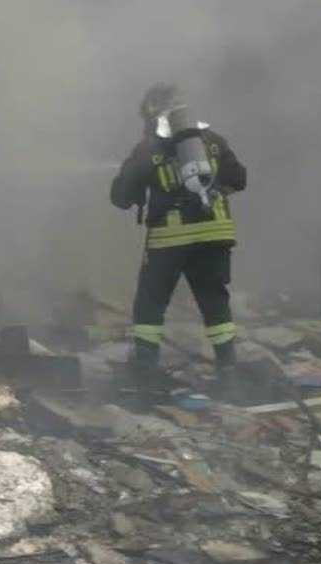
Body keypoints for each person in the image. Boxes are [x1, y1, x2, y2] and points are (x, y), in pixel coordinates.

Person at [110, 83, 246, 388]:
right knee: (214, 303)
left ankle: (144, 373)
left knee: (150, 304)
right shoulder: (212, 142)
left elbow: (119, 198)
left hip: (169, 240)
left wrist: (136, 180)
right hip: (215, 235)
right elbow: (239, 179)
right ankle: (229, 373)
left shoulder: (147, 150)